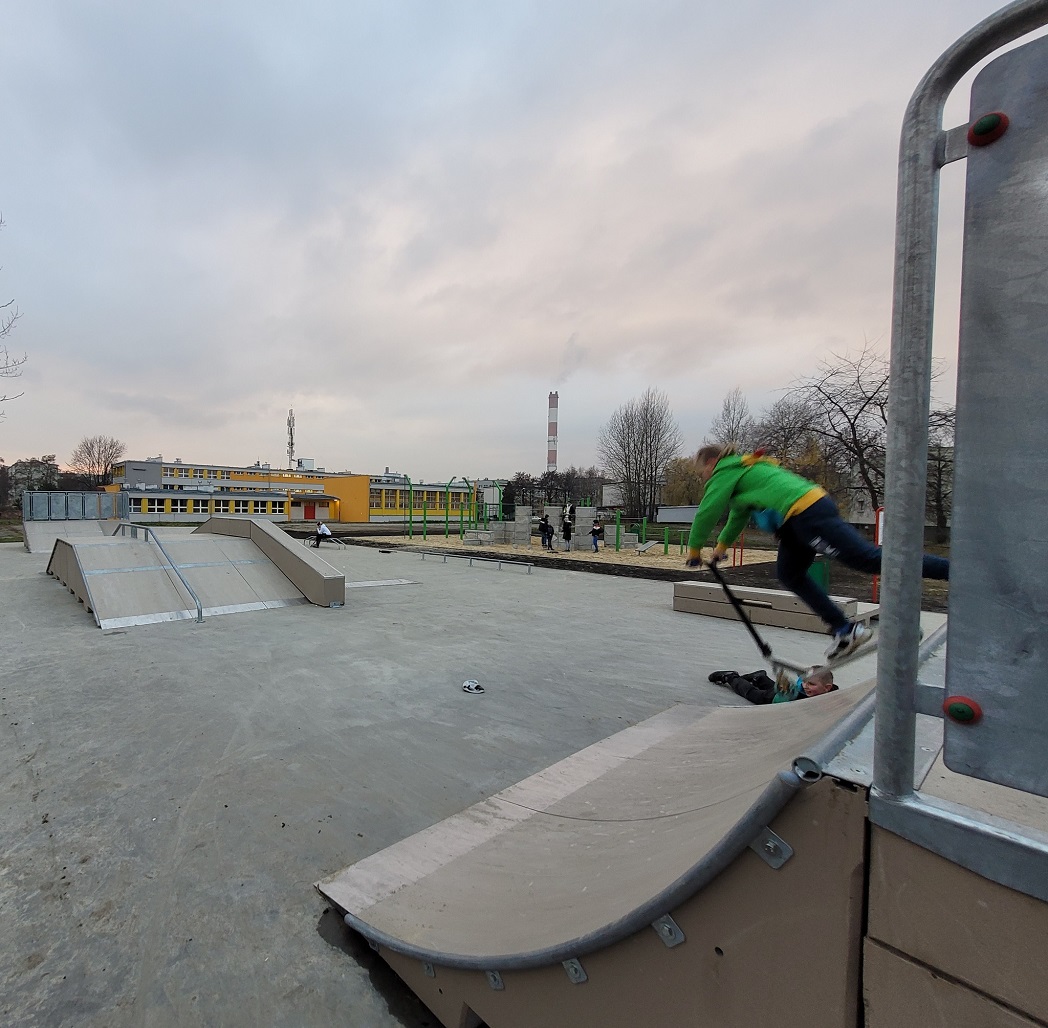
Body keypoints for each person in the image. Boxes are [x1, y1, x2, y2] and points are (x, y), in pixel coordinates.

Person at [686, 444, 949, 660]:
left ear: (711, 463)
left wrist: (694, 549)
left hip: (806, 513)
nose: (703, 479)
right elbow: (737, 517)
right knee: (789, 574)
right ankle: (844, 629)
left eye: (701, 474)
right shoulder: (743, 471)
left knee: (865, 559)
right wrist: (720, 548)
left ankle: (953, 571)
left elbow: (707, 511)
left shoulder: (724, 473)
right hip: (797, 518)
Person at [708, 667, 837, 704]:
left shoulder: (833, 695)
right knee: (752, 694)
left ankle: (759, 678)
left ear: (827, 687)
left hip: (785, 695)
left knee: (770, 686)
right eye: (804, 682)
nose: (805, 686)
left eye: (812, 684)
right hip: (776, 698)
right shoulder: (798, 690)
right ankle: (730, 677)